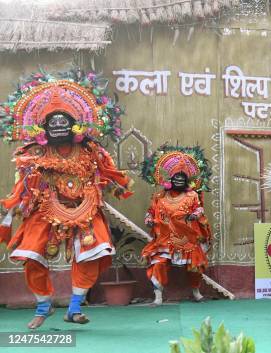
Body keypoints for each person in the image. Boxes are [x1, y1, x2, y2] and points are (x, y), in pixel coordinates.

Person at [0, 69, 133, 329]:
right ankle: (43, 304)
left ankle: (73, 307)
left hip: (85, 207)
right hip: (45, 207)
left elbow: (108, 172)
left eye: (64, 122)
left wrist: (117, 184)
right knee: (30, 253)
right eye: (53, 123)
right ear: (43, 127)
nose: (59, 127)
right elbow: (23, 184)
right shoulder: (34, 152)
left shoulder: (90, 149)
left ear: (76, 125)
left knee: (93, 252)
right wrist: (14, 208)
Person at [140, 144, 212, 305]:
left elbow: (199, 208)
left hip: (186, 238)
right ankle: (158, 297)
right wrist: (148, 219)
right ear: (169, 180)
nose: (179, 180)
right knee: (158, 263)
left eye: (182, 178)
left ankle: (196, 292)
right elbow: (151, 211)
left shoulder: (192, 195)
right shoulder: (159, 195)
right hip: (164, 238)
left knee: (195, 265)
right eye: (176, 178)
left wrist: (195, 215)